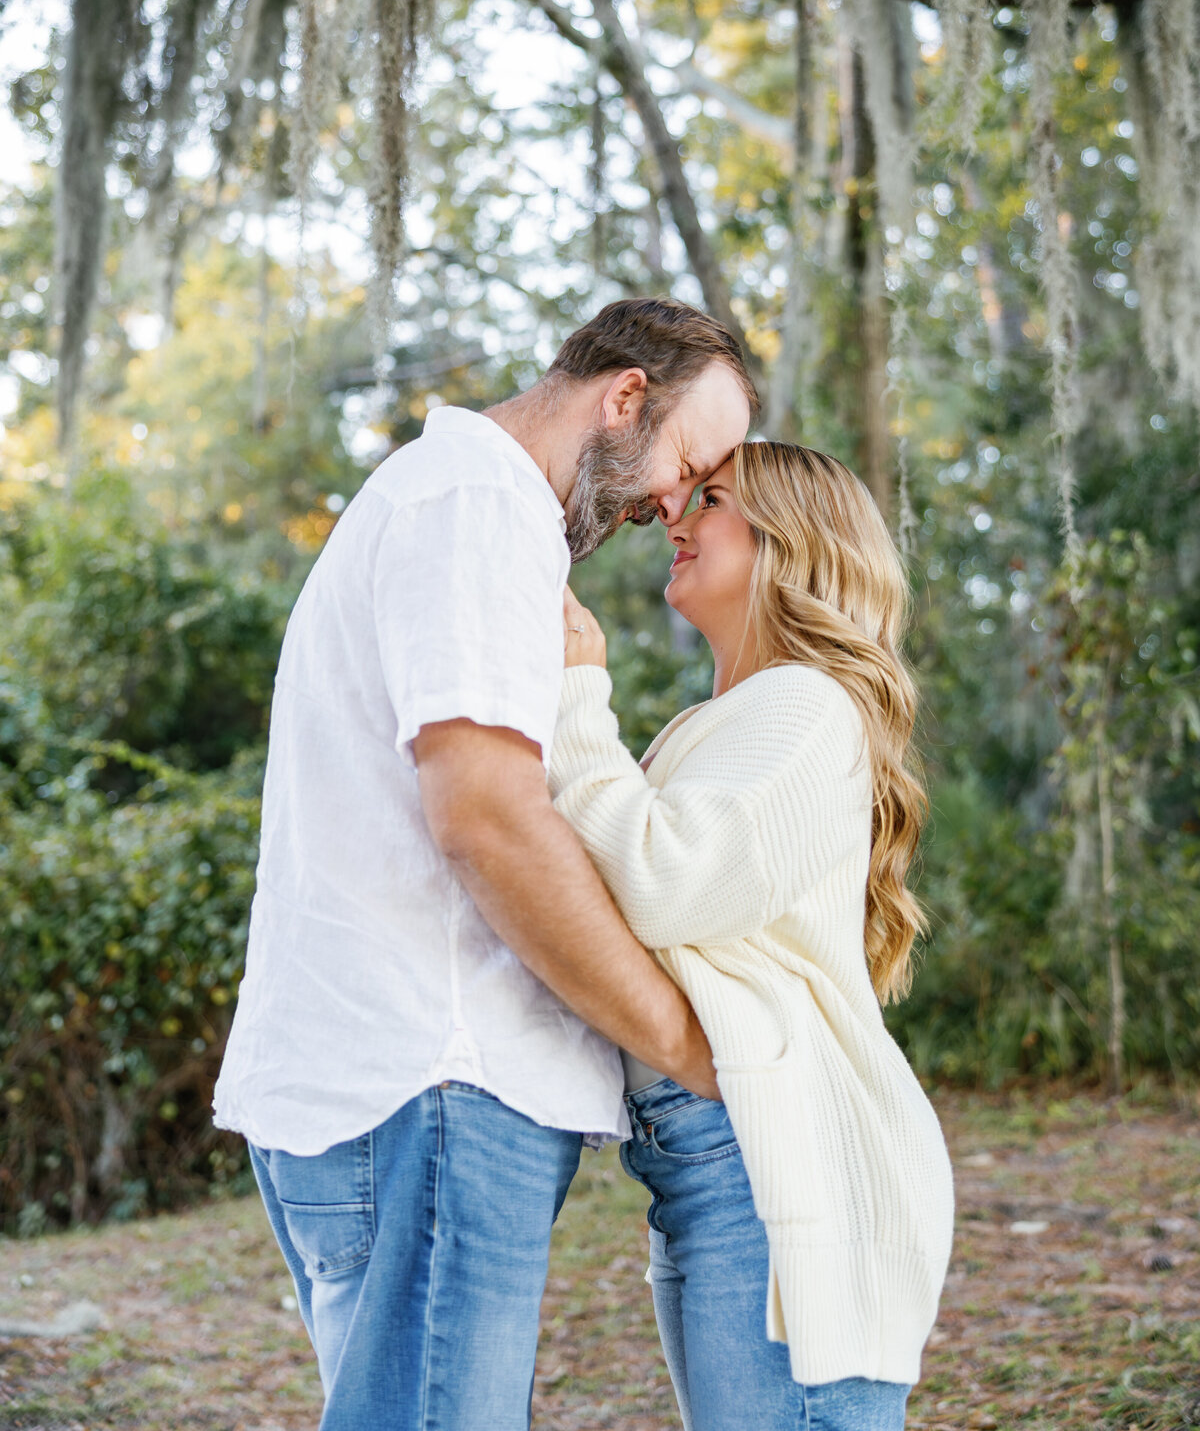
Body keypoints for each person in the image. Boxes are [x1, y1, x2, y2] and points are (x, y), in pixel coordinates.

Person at [212, 298, 757, 1431]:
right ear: (623, 398)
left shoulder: (457, 505)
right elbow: (489, 820)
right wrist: (677, 1040)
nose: (674, 507)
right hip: (434, 1085)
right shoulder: (476, 506)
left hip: (408, 1093)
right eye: (687, 464)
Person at [551, 441, 955, 1431]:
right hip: (718, 1165)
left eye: (713, 500)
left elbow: (660, 882)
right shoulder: (736, 719)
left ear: (794, 545)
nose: (677, 520)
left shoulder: (806, 705)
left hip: (770, 1167)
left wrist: (574, 692)